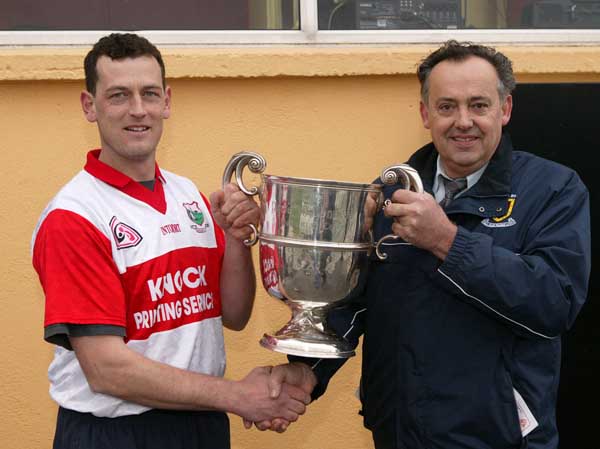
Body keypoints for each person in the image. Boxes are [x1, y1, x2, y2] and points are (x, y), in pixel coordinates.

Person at [264, 40, 592, 448]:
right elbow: (355, 304)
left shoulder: (554, 189)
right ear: (425, 114)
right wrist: (308, 370)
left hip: (502, 439)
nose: (463, 121)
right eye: (446, 106)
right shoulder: (388, 194)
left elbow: (553, 302)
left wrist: (448, 241)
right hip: (399, 435)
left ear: (504, 110)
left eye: (479, 105)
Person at [30, 32, 312, 449]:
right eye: (119, 96)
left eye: (149, 93)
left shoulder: (187, 196)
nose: (138, 110)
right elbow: (107, 370)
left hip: (200, 425)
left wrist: (236, 241)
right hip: (115, 434)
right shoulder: (73, 217)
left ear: (167, 101)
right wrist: (239, 397)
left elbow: (232, 313)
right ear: (90, 106)